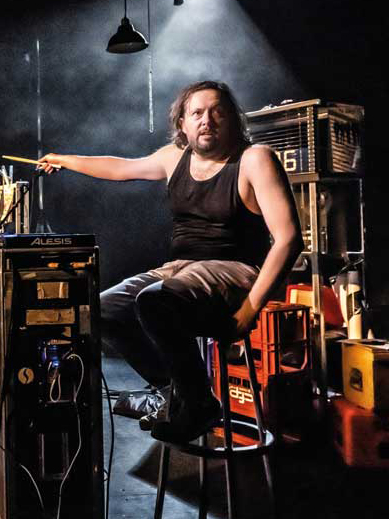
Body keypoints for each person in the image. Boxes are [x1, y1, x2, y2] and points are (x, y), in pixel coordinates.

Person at [38, 81, 304, 443]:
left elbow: (289, 238)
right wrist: (64, 160)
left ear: (233, 120)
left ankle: (198, 404)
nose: (206, 120)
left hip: (237, 270)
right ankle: (173, 390)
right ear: (183, 123)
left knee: (154, 300)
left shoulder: (254, 159)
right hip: (182, 267)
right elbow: (122, 168)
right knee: (101, 310)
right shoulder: (175, 157)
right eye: (197, 113)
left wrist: (251, 308)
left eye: (217, 112)